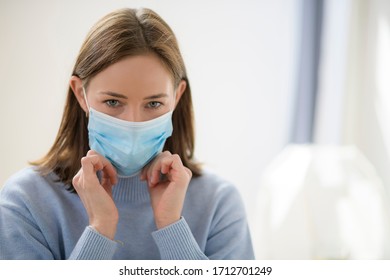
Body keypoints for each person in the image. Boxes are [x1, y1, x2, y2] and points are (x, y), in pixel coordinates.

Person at [0, 7, 254, 260]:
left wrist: (172, 226)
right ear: (81, 94)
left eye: (153, 104)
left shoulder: (219, 202)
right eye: (113, 102)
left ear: (176, 97)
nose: (133, 122)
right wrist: (100, 229)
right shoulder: (26, 201)